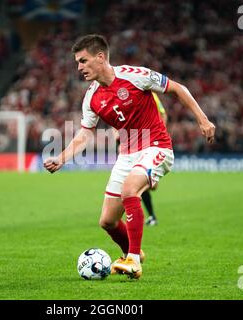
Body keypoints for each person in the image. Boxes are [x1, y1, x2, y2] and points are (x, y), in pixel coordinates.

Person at [44, 34, 215, 279]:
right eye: (77, 63)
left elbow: (178, 88)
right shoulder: (91, 97)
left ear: (100, 57)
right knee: (107, 221)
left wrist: (203, 119)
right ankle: (132, 252)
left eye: (83, 61)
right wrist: (62, 158)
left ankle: (134, 261)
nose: (79, 68)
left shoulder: (134, 75)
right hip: (126, 155)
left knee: (129, 190)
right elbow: (84, 134)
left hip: (156, 147)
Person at [113, 92, 168, 227]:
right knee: (130, 183)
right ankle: (144, 216)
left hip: (148, 141)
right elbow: (115, 121)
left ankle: (145, 213)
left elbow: (163, 114)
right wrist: (117, 137)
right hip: (128, 143)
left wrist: (160, 132)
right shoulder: (116, 96)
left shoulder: (149, 94)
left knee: (148, 186)